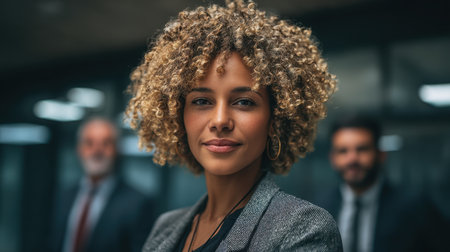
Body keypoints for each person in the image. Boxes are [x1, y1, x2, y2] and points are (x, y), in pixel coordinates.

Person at [126, 1, 342, 251]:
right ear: (178, 115)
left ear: (275, 118)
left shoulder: (303, 229)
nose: (220, 121)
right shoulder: (165, 227)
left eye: (244, 102)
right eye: (202, 101)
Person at [316, 115, 448, 252]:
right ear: (332, 158)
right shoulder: (321, 209)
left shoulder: (416, 207)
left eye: (362, 149)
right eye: (343, 151)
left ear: (381, 155)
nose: (352, 159)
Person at [48, 118, 155, 252]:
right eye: (89, 143)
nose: (97, 150)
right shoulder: (64, 196)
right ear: (79, 149)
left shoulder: (138, 203)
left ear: (117, 150)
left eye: (106, 143)